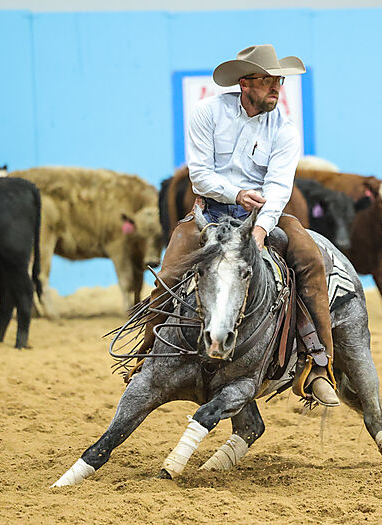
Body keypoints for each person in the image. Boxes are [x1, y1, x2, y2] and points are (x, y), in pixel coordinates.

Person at [137, 44, 339, 407]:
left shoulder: (285, 130)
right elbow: (200, 175)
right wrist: (237, 194)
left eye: (279, 81)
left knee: (310, 259)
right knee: (167, 276)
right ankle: (148, 354)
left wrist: (260, 230)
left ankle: (318, 365)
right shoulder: (208, 113)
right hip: (209, 213)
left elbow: (278, 187)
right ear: (244, 84)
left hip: (263, 215)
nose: (276, 87)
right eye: (267, 80)